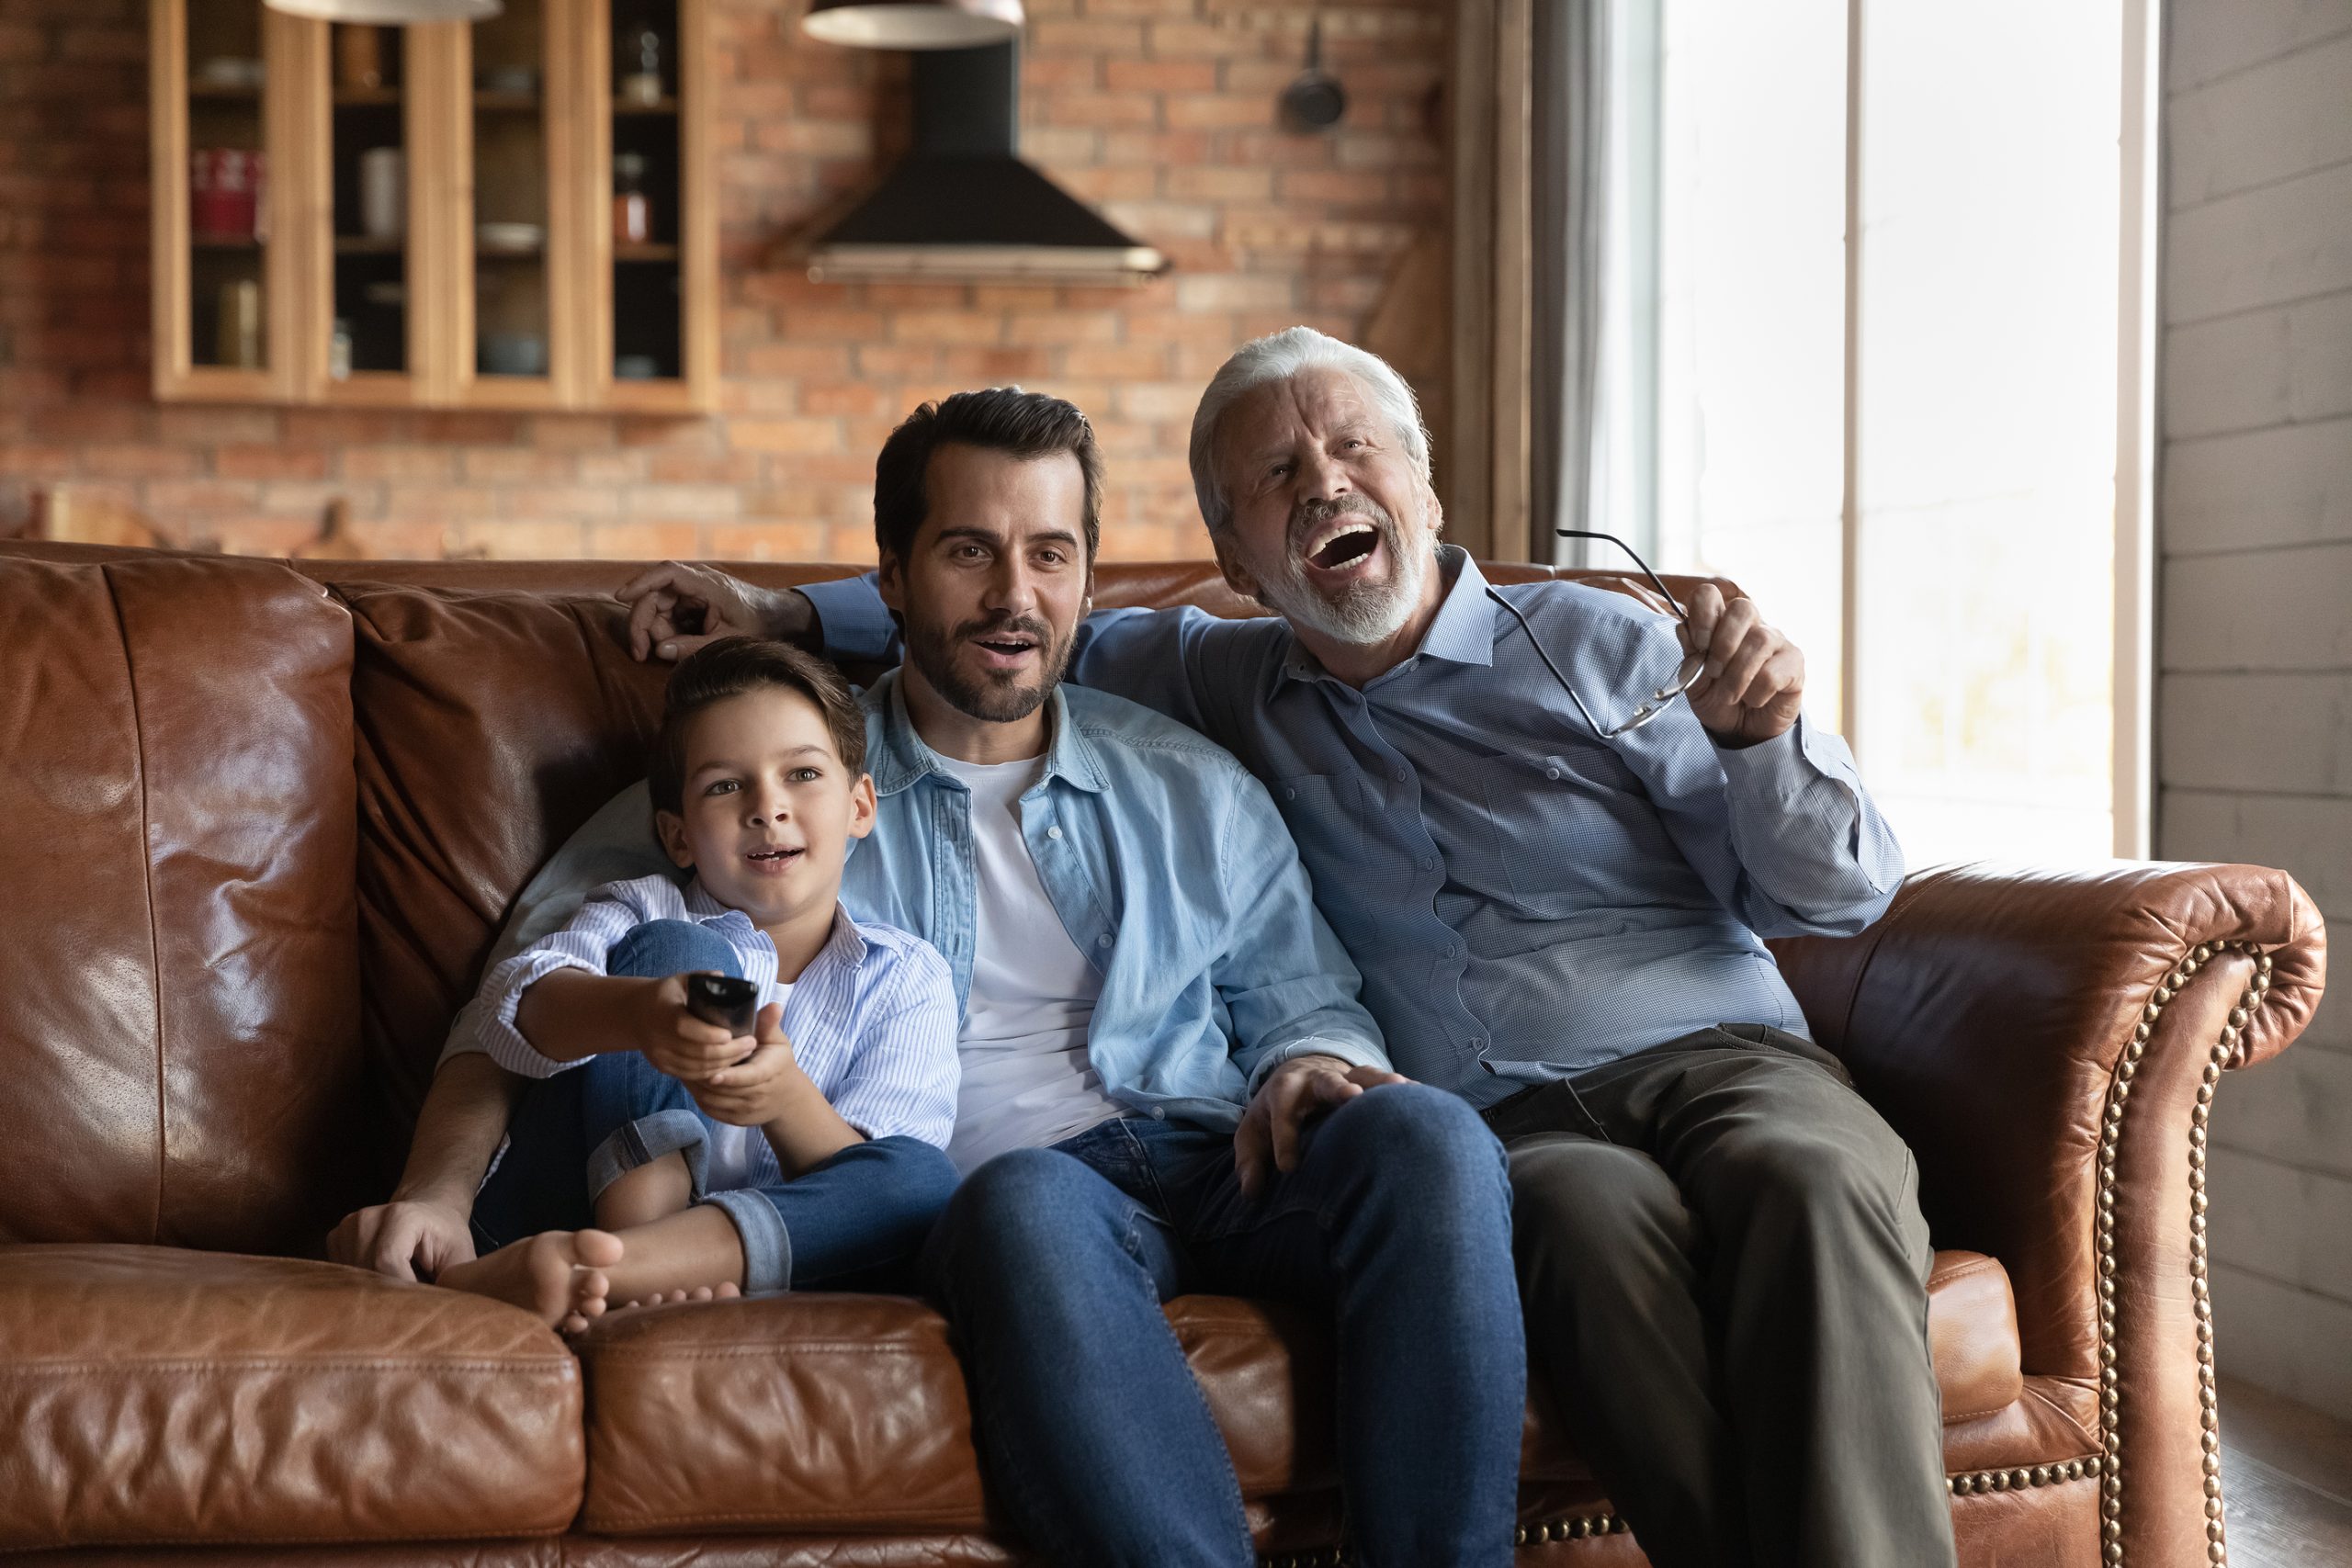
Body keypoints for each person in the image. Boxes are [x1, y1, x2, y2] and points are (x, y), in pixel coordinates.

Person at [619, 332, 1950, 1568]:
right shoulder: (861, 767)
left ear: (1427, 485)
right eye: (1276, 473)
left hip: (1663, 1062)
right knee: (1562, 1217)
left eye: (1358, 449)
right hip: (1465, 1131)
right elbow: (608, 915)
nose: (1324, 485)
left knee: (1713, 1163)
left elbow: (1831, 894)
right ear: (1235, 557)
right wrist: (783, 614)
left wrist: (1761, 737)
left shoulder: (1601, 645)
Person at [333, 387, 1526, 1568]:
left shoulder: (1194, 785)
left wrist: (1313, 1062)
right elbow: (521, 1001)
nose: (1015, 596)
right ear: (892, 577)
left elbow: (1304, 997)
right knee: (1022, 1199)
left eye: (1050, 554)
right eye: (969, 551)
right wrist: (436, 1191)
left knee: (1428, 1135)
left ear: (1089, 580)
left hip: (1223, 1157)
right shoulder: (781, 783)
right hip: (1015, 1196)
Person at [437, 638, 961, 1330]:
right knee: (676, 952)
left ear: (860, 805)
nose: (767, 807)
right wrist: (637, 1013)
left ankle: (627, 1269)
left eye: (802, 774)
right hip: (561, 1208)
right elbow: (515, 1008)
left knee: (923, 1180)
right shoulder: (643, 907)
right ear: (678, 836)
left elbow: (865, 1181)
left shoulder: (908, 975)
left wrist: (782, 1097)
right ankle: (633, 1258)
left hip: (741, 1264)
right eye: (724, 785)